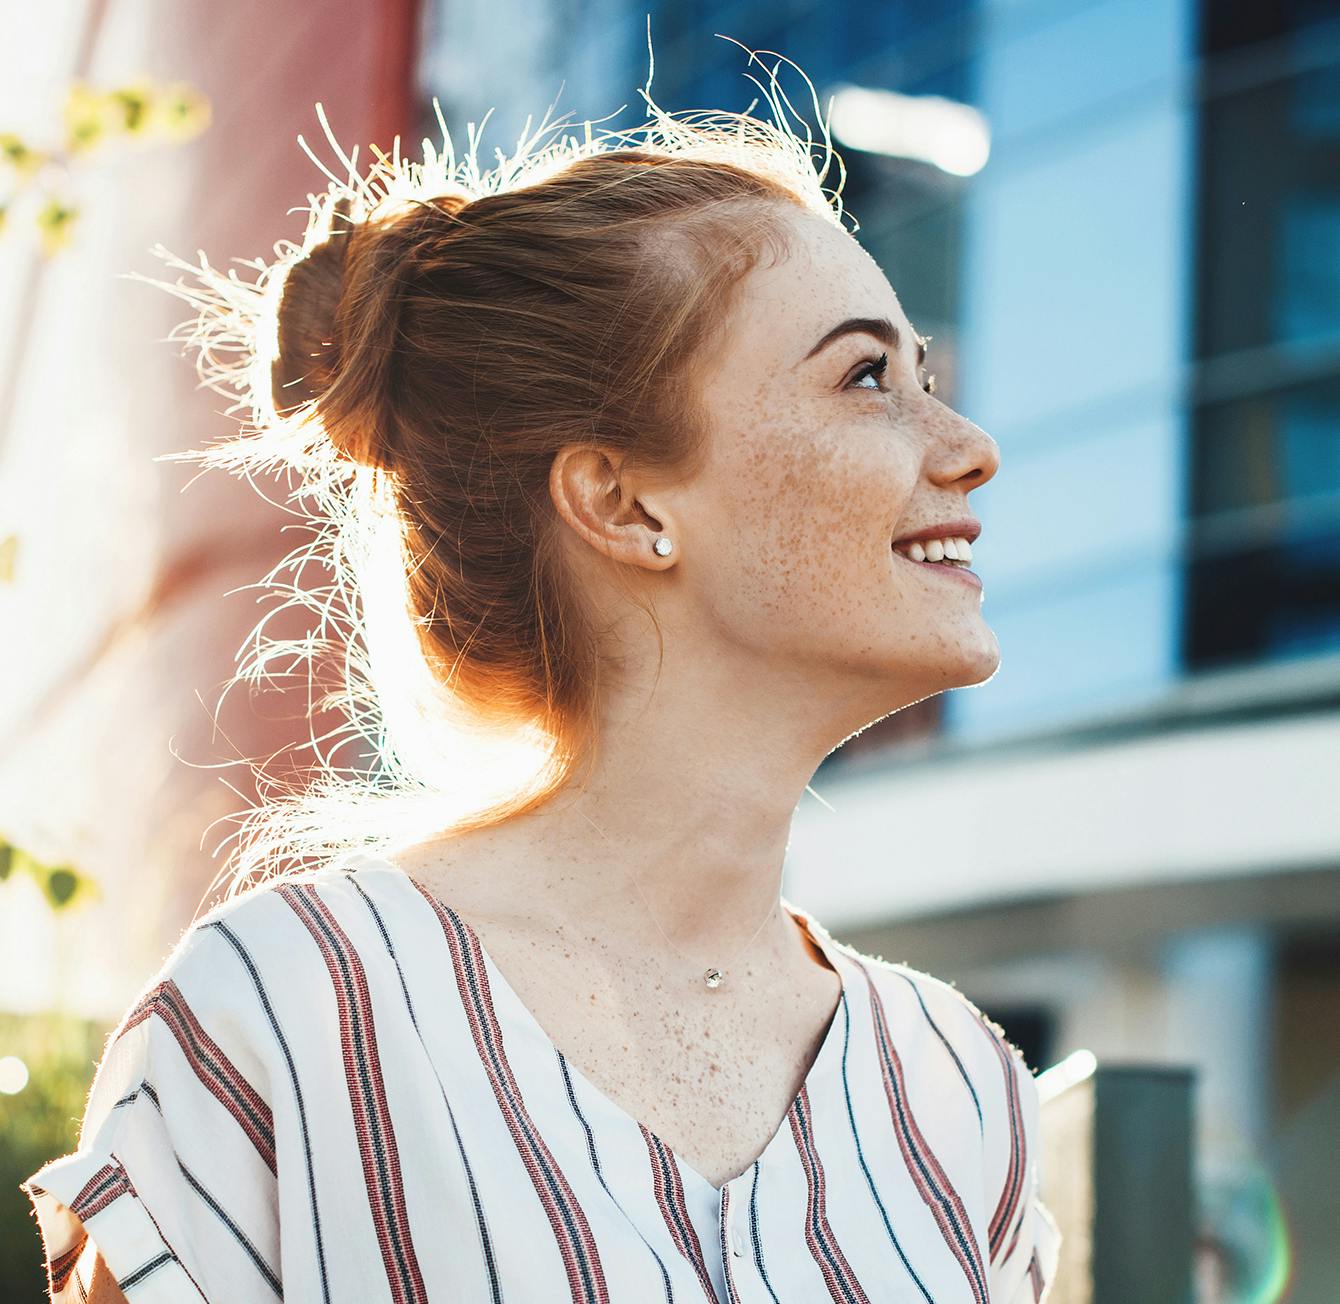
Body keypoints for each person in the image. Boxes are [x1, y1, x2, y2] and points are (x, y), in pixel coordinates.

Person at [21, 52, 1062, 1304]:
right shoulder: (284, 1012)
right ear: (621, 500)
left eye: (926, 377)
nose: (969, 447)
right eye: (864, 378)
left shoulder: (960, 1090)